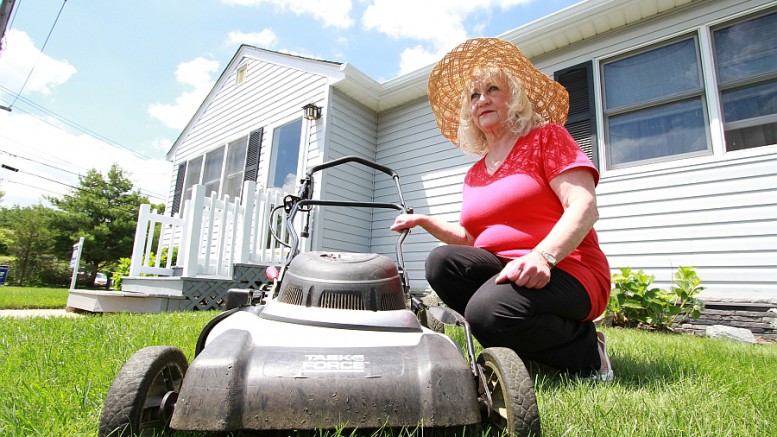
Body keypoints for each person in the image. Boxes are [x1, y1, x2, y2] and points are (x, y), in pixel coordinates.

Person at [390, 38, 613, 381]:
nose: (482, 100)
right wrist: (424, 220)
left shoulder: (547, 138)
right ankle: (512, 331)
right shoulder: (475, 173)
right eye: (474, 95)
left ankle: (587, 351)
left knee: (486, 313)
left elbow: (583, 205)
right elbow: (471, 238)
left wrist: (543, 256)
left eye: (492, 89)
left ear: (515, 98)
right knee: (441, 262)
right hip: (506, 268)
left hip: (567, 267)